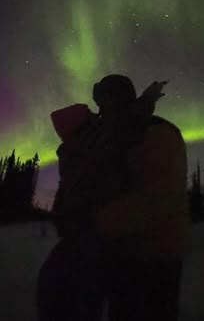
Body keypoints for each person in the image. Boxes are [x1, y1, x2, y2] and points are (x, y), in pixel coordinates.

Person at [36, 76, 167, 321]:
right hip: (91, 240)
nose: (98, 116)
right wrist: (147, 100)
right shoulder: (92, 145)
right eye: (91, 115)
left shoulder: (74, 149)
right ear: (82, 127)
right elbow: (124, 127)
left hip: (79, 237)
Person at [93, 75, 190, 321]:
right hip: (129, 259)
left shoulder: (154, 134)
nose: (101, 111)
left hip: (153, 262)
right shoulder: (126, 134)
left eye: (104, 103)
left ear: (117, 101)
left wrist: (96, 223)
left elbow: (154, 201)